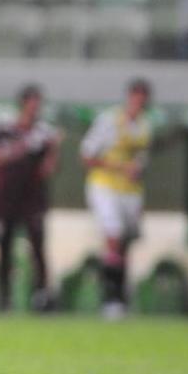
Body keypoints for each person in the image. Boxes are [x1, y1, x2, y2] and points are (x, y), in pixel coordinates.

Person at [0, 84, 61, 311]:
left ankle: (41, 295)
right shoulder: (3, 129)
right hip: (6, 196)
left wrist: (54, 149)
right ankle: (3, 296)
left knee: (37, 246)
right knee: (4, 247)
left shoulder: (45, 134)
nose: (35, 109)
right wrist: (21, 148)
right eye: (31, 104)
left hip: (33, 197)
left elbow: (49, 169)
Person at [80, 79, 152, 320]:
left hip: (131, 192)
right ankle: (111, 299)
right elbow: (88, 155)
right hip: (105, 185)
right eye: (136, 97)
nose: (139, 103)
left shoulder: (144, 126)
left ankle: (120, 294)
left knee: (124, 242)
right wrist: (120, 167)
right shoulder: (110, 121)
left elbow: (141, 162)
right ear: (129, 97)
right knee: (113, 234)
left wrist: (137, 174)